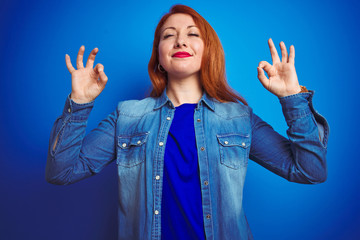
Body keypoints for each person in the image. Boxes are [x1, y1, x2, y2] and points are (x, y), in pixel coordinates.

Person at [46, 4, 329, 240]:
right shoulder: (128, 116)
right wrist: (80, 103)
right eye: (169, 35)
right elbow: (62, 172)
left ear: (208, 52)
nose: (180, 41)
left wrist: (292, 98)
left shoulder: (238, 118)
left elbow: (310, 171)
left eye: (192, 34)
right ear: (159, 57)